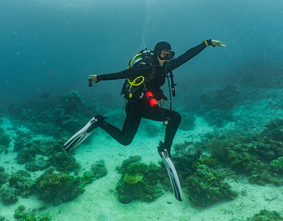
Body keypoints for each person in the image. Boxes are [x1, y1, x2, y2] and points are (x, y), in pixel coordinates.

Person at [64, 39, 225, 201]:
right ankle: (98, 122)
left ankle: (165, 150)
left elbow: (187, 56)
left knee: (175, 117)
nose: (167, 58)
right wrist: (98, 78)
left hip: (147, 106)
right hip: (134, 106)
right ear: (156, 54)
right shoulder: (146, 68)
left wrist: (207, 43)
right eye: (164, 54)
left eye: (170, 54)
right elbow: (122, 74)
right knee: (125, 140)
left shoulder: (167, 66)